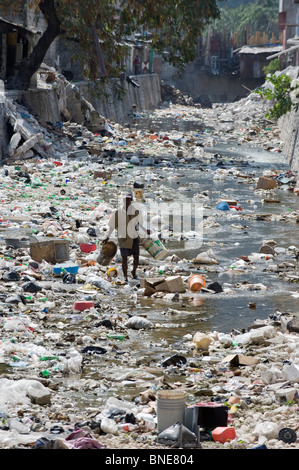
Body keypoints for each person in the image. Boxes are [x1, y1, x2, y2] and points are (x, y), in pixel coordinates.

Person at [102, 193, 143, 282]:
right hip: (123, 237)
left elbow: (139, 224)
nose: (127, 202)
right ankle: (125, 277)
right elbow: (112, 225)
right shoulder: (118, 212)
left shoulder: (136, 212)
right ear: (123, 201)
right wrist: (107, 237)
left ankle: (133, 272)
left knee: (136, 256)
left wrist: (146, 231)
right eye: (125, 200)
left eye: (128, 200)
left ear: (131, 200)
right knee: (124, 258)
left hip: (134, 237)